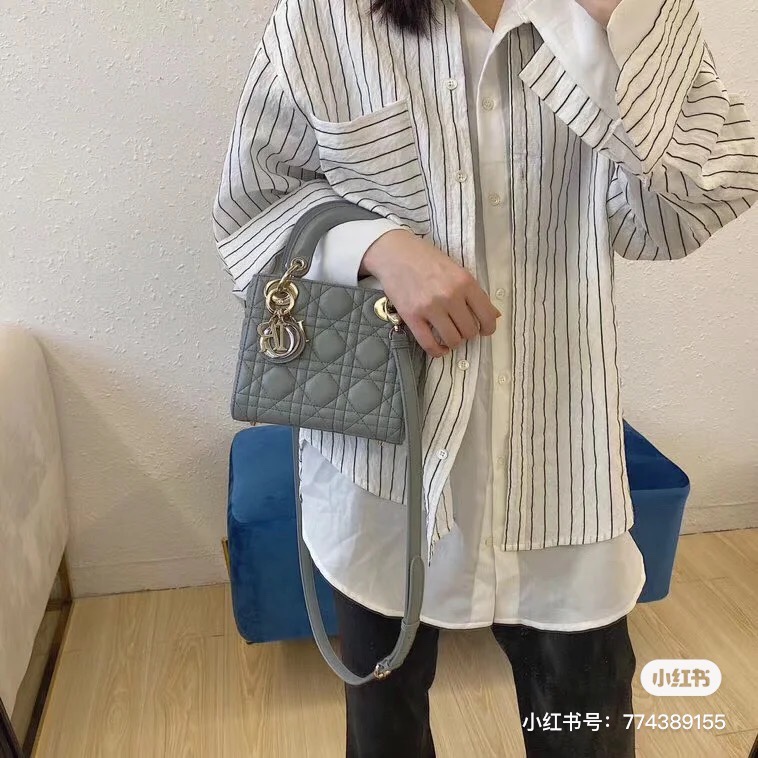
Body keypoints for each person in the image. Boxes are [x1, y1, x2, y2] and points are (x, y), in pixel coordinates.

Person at [212, 0, 758, 755]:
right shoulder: (327, 15)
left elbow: (673, 219)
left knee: (586, 722)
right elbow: (253, 203)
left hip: (562, 468)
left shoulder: (628, 14)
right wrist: (378, 247)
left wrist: (617, 27)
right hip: (384, 467)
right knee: (385, 729)